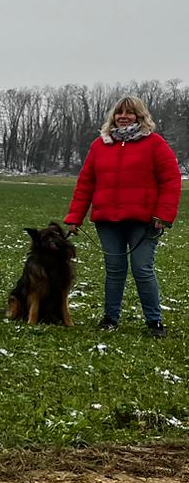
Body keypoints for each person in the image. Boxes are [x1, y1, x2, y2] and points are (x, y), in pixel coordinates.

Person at [63, 94, 180, 337]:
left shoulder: (155, 144)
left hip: (144, 221)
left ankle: (154, 321)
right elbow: (86, 183)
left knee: (142, 269)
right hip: (108, 221)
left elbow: (170, 180)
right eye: (119, 113)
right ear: (113, 117)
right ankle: (110, 318)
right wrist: (75, 217)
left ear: (140, 116)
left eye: (130, 113)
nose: (124, 117)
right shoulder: (100, 145)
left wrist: (163, 215)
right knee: (114, 270)